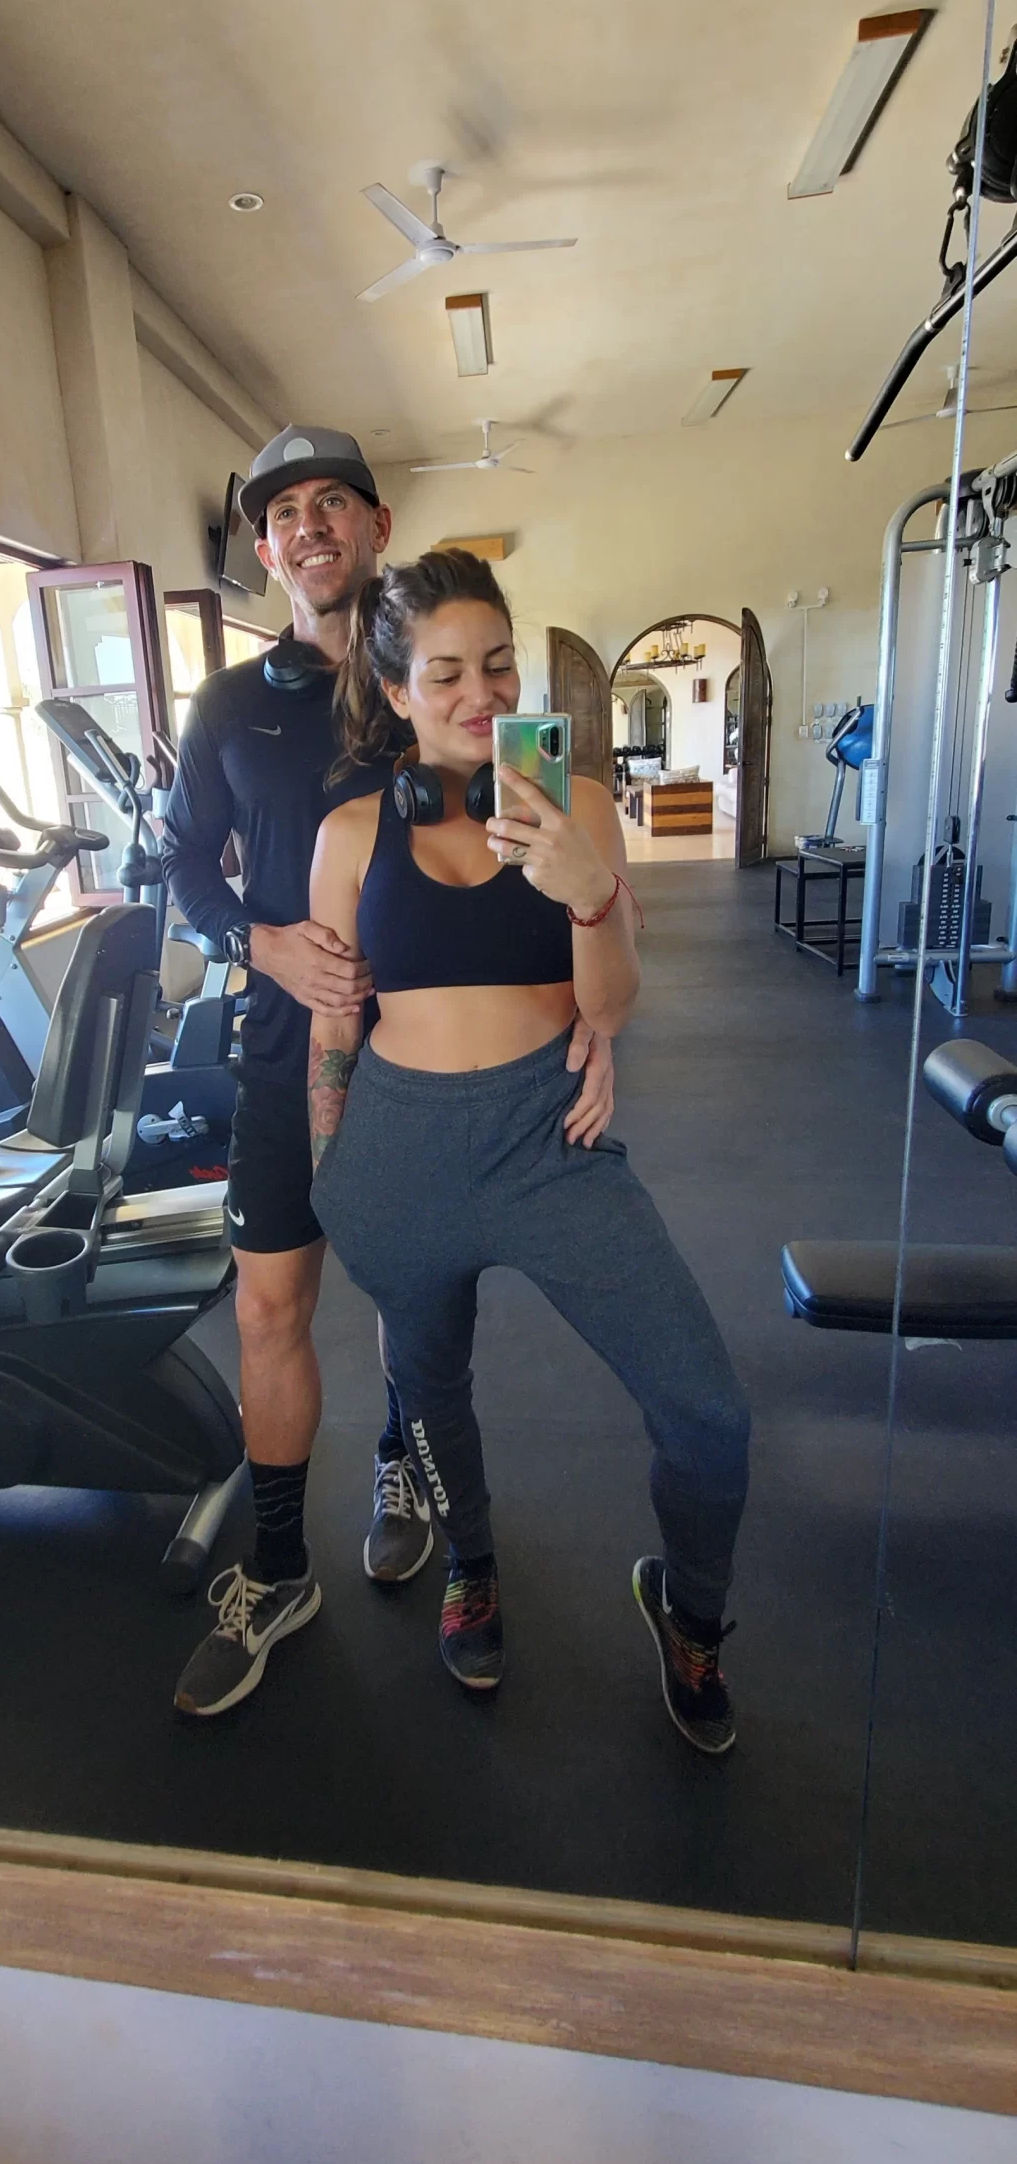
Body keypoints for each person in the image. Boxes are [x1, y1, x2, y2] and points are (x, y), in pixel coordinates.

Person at [161, 430, 614, 1718]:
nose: (308, 526)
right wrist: (254, 941)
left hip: (426, 1057)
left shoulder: (440, 688)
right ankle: (278, 1567)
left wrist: (596, 1010)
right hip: (281, 1047)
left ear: (376, 525)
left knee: (408, 1296)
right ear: (264, 550)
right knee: (267, 1310)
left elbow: (549, 857)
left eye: (332, 503)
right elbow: (182, 860)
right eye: (283, 514)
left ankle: (405, 1461)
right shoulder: (228, 706)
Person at [306, 550, 751, 1755]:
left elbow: (608, 1007)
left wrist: (586, 891)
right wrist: (332, 1169)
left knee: (707, 1414)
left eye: (497, 664)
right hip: (397, 1146)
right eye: (445, 672)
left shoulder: (579, 806)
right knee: (429, 1390)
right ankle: (471, 1561)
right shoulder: (349, 834)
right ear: (395, 691)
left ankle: (690, 1613)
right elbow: (334, 1021)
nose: (480, 693)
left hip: (550, 1137)